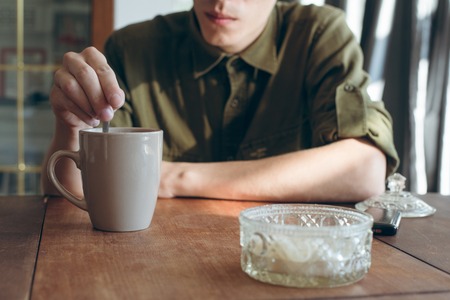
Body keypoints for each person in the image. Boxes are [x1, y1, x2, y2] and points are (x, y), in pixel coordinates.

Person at [42, 0, 399, 203]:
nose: (221, 3)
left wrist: (173, 178)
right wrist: (71, 127)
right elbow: (79, 195)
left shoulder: (318, 35)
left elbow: (363, 170)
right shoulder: (133, 49)